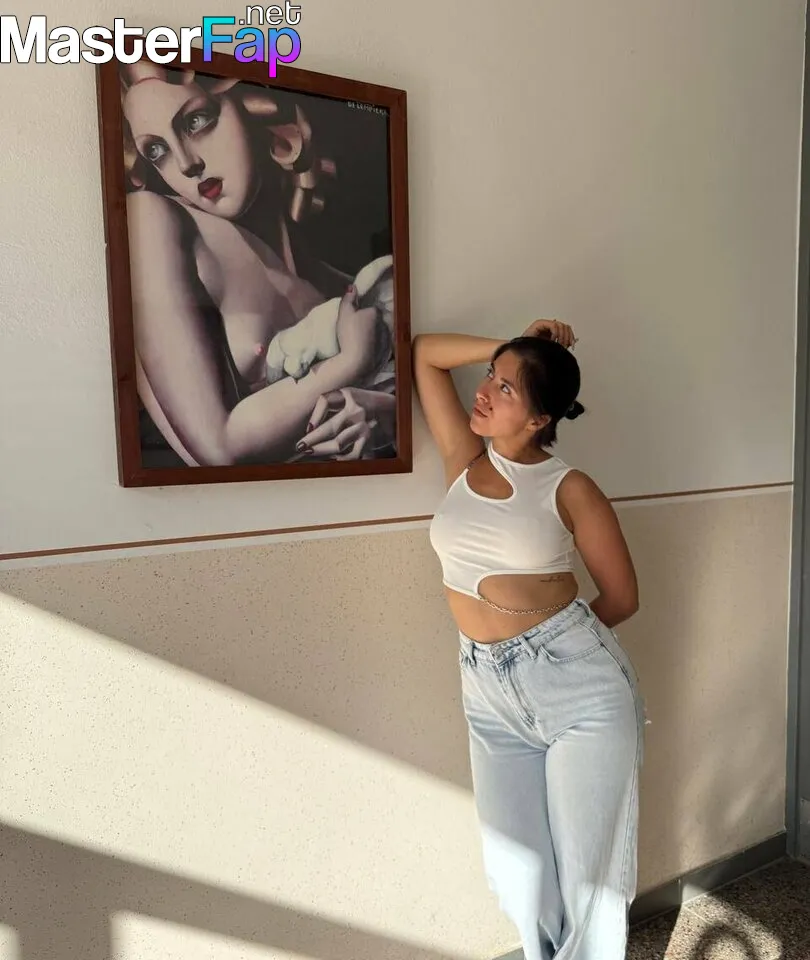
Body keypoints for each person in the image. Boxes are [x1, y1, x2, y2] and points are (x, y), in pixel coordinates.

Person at [413, 319, 645, 960]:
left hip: (580, 693)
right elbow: (426, 356)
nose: (485, 390)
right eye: (491, 377)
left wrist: (548, 647)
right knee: (518, 876)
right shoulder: (465, 460)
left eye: (507, 388)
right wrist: (510, 347)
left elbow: (622, 597)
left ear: (541, 419)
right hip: (486, 691)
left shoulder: (570, 488)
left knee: (589, 882)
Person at [118, 61, 396, 467]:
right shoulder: (153, 218)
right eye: (157, 151)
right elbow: (219, 449)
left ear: (254, 107)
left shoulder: (339, 285)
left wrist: (386, 413)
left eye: (196, 121)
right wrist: (351, 362)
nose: (186, 163)